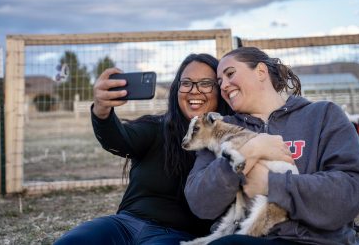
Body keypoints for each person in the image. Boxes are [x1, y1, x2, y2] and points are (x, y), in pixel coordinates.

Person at [54, 53, 291, 245]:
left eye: (206, 84)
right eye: (186, 83)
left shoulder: (234, 140)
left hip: (176, 236)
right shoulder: (156, 127)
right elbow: (118, 138)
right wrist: (102, 111)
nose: (194, 90)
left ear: (220, 92)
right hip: (123, 225)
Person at [184, 47, 359, 245]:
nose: (224, 86)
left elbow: (352, 189)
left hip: (314, 241)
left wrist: (271, 184)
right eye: (219, 82)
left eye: (230, 74)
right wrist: (249, 151)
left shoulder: (322, 115)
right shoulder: (221, 129)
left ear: (261, 72)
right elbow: (199, 203)